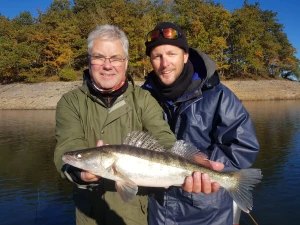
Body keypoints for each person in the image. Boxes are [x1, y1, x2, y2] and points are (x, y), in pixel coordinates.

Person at [53, 24, 179, 225]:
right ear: (89, 61)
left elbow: (164, 139)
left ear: (126, 62)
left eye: (115, 58)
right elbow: (68, 148)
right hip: (89, 216)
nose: (107, 65)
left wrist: (194, 167)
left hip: (135, 216)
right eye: (99, 57)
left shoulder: (144, 100)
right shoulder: (70, 102)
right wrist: (80, 173)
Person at [142, 22, 260, 225]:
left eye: (171, 54)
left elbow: (244, 146)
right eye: (157, 56)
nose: (164, 63)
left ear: (185, 55)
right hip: (159, 211)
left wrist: (204, 165)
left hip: (208, 212)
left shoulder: (218, 95)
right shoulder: (143, 98)